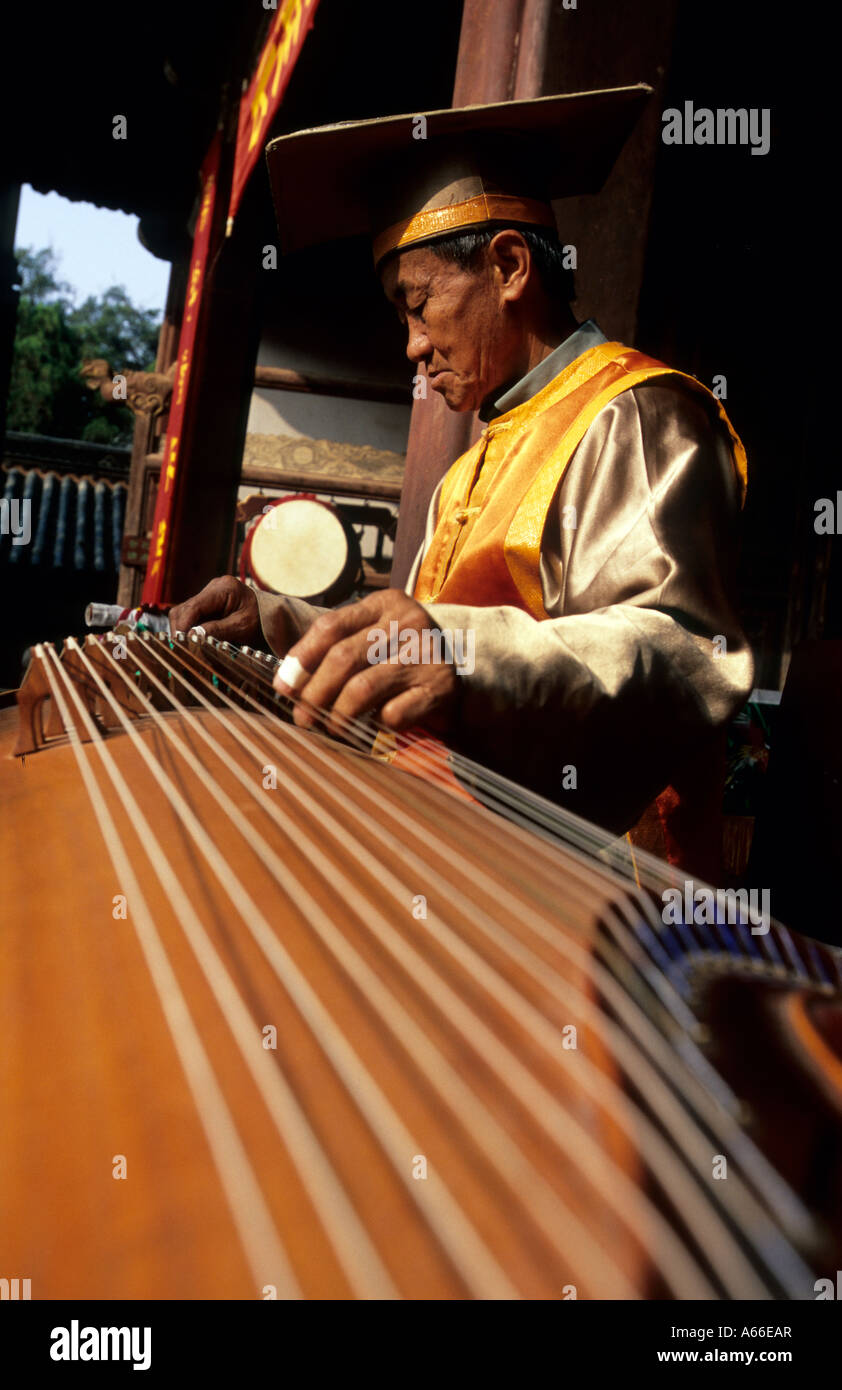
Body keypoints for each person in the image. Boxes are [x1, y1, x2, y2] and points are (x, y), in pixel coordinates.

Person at [168, 89, 753, 877]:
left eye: (418, 304)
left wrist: (467, 659)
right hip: (459, 852)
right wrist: (278, 622)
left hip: (599, 890)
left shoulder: (639, 413)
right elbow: (426, 635)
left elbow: (684, 650)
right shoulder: (470, 465)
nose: (411, 345)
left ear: (510, 267)